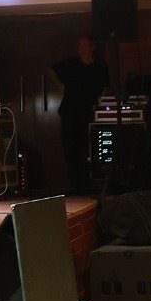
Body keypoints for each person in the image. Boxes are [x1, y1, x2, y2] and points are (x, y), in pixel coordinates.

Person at [50, 36, 109, 195]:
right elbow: (51, 69)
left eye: (84, 46)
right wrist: (60, 85)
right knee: (71, 148)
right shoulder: (71, 63)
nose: (81, 49)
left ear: (92, 48)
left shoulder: (100, 66)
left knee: (88, 147)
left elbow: (106, 86)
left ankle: (90, 182)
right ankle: (76, 184)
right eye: (79, 46)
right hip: (70, 111)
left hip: (89, 112)